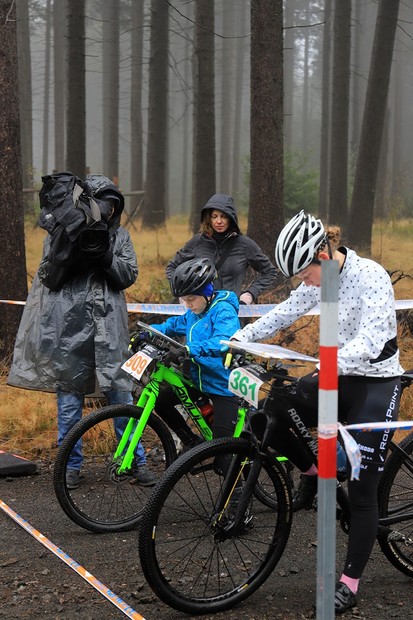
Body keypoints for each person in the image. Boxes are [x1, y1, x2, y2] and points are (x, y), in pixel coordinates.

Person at [229, 210, 403, 614]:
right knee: (276, 404)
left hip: (375, 381)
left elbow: (372, 341)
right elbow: (284, 312)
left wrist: (329, 362)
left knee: (361, 488)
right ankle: (313, 469)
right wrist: (241, 337)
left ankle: (350, 582)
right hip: (336, 371)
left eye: (305, 273)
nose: (303, 283)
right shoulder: (316, 278)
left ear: (324, 254)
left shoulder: (371, 276)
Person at [8, 174, 157, 490]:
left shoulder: (121, 238)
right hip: (70, 331)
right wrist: (72, 248)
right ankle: (70, 466)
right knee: (69, 403)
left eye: (115, 206)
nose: (110, 211)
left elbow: (127, 274)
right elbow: (50, 275)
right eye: (104, 204)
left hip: (111, 332)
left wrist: (104, 256)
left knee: (122, 397)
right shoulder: (62, 234)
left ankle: (134, 460)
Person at [146, 257, 241, 456]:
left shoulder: (223, 310)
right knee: (161, 400)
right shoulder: (194, 313)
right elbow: (172, 325)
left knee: (223, 456)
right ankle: (192, 442)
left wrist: (189, 349)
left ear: (206, 293)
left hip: (223, 387)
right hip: (200, 381)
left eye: (191, 298)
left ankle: (240, 487)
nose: (187, 304)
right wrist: (148, 332)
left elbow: (223, 342)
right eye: (184, 300)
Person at [165, 193, 277, 305]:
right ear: (209, 218)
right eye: (214, 216)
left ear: (231, 218)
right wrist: (184, 295)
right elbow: (172, 268)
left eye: (224, 216)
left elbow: (269, 271)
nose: (219, 221)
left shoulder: (244, 244)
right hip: (201, 313)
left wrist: (249, 295)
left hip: (232, 312)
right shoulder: (197, 242)